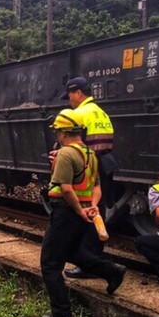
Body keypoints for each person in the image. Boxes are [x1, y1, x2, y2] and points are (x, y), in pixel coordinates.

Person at [41, 109, 126, 317]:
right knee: (73, 251)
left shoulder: (66, 154)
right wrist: (91, 207)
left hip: (67, 213)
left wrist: (80, 210)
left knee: (50, 264)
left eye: (57, 132)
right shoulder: (90, 154)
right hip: (81, 213)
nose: (57, 136)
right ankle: (112, 271)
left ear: (63, 133)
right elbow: (96, 187)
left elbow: (67, 189)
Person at [59, 76, 117, 279]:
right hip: (103, 164)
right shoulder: (101, 112)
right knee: (97, 210)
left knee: (83, 212)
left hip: (86, 167)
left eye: (70, 96)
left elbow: (72, 143)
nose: (69, 100)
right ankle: (94, 259)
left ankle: (88, 263)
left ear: (78, 93)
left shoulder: (79, 114)